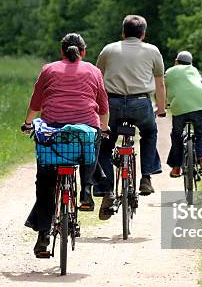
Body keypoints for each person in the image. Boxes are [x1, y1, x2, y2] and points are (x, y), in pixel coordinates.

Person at [22, 33, 109, 257]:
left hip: (54, 132)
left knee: (45, 182)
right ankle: (87, 190)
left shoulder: (48, 69)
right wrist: (104, 127)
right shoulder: (93, 70)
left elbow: (36, 101)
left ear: (62, 52)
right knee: (92, 144)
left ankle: (43, 236)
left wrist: (28, 123)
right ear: (83, 52)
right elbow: (102, 105)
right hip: (86, 128)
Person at [93, 14, 167, 220]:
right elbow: (160, 84)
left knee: (105, 145)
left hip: (112, 104)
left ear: (123, 33)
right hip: (141, 103)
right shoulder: (153, 51)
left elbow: (97, 80)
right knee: (150, 133)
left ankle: (107, 190)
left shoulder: (108, 50)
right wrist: (161, 108)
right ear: (143, 34)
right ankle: (146, 177)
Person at [165, 50, 202, 180]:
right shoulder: (194, 70)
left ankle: (176, 167)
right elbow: (196, 87)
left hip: (179, 108)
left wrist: (163, 104)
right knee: (200, 133)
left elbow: (163, 88)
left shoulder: (170, 71)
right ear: (190, 63)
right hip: (198, 104)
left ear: (176, 61)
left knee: (176, 135)